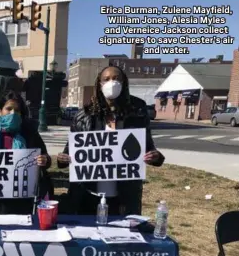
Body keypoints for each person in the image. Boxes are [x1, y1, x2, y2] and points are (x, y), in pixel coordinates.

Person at [56, 65, 165, 215]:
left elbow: (149, 148)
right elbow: (66, 156)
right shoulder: (84, 115)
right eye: (106, 79)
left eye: (116, 78)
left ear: (124, 83)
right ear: (99, 84)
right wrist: (63, 159)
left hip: (123, 197)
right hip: (89, 195)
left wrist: (155, 157)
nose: (112, 83)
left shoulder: (137, 111)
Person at [0, 90, 52, 215]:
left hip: (21, 200)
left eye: (17, 110)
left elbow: (46, 158)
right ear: (0, 111)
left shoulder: (29, 132)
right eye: (9, 109)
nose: (13, 113)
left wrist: (44, 160)